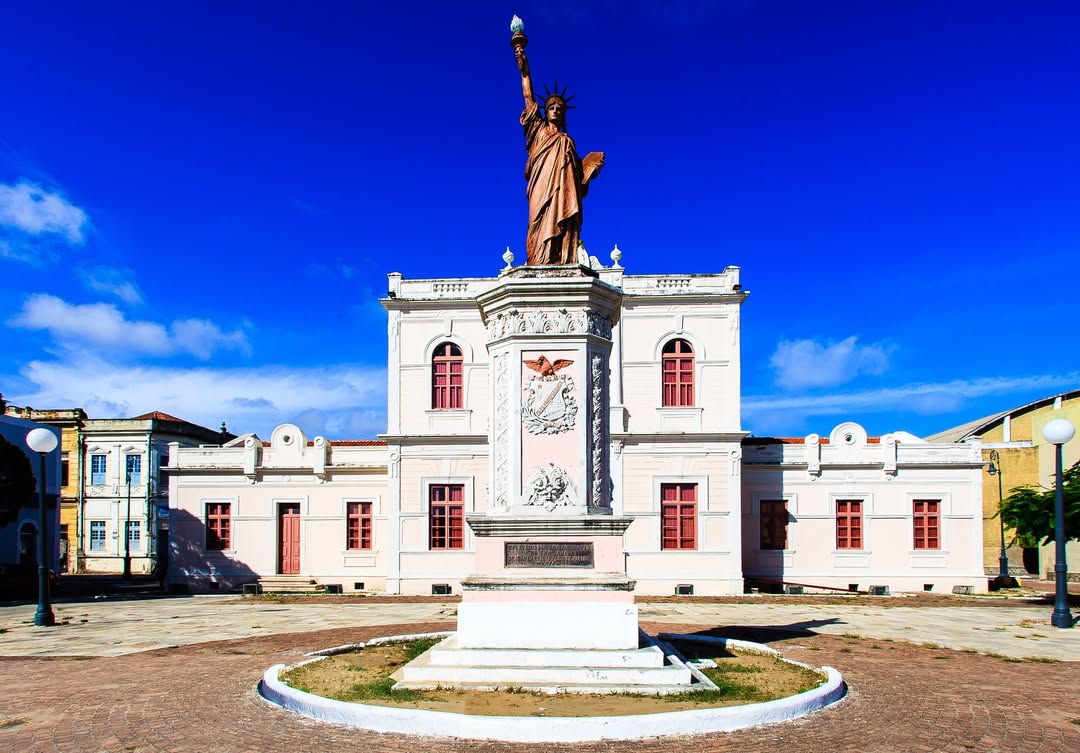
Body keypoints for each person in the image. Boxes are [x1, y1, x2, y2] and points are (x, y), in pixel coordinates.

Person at [514, 44, 604, 265]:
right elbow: (528, 96)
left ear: (563, 114)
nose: (555, 109)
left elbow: (577, 182)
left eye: (559, 108)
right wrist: (524, 68)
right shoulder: (538, 130)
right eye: (551, 107)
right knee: (537, 223)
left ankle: (560, 258)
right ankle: (539, 260)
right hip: (541, 186)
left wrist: (588, 170)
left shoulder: (567, 141)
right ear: (546, 111)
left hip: (563, 192)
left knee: (565, 221)